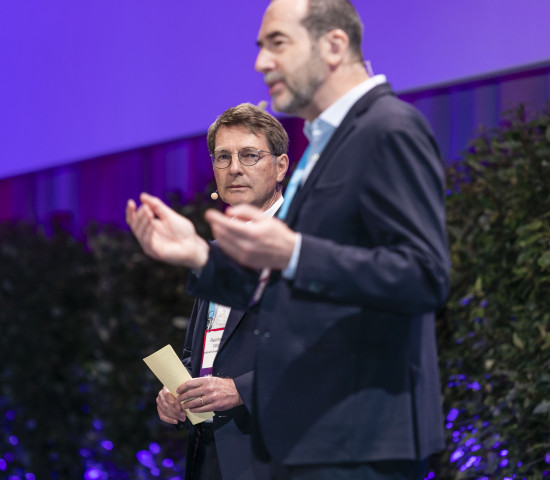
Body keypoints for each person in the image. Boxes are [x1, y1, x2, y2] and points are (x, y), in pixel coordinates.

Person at [127, 0, 450, 479]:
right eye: (260, 47)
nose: (261, 62)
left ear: (334, 45)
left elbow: (425, 275)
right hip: (311, 440)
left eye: (277, 43)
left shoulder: (387, 128)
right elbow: (286, 299)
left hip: (356, 441)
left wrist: (294, 252)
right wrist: (199, 254)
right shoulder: (329, 143)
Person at [134, 103, 289, 480]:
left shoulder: (300, 243)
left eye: (249, 155)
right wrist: (178, 393)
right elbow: (205, 350)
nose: (234, 167)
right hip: (209, 452)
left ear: (280, 166)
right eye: (223, 157)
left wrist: (242, 390)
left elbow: (328, 350)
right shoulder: (217, 250)